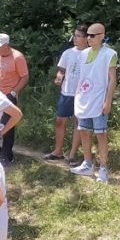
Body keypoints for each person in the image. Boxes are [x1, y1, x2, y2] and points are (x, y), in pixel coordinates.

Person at [70, 22, 118, 183]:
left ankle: (103, 168)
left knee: (101, 134)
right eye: (87, 35)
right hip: (84, 98)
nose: (88, 38)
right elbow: (80, 77)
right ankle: (87, 164)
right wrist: (76, 97)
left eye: (92, 35)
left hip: (99, 99)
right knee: (83, 130)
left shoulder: (109, 54)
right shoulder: (82, 54)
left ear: (102, 36)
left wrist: (108, 101)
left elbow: (112, 80)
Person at [44, 24, 89, 165]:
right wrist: (59, 76)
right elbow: (62, 70)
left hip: (82, 93)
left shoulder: (90, 54)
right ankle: (58, 151)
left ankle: (72, 155)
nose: (74, 38)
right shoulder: (68, 53)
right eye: (74, 35)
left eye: (78, 36)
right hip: (66, 91)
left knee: (78, 123)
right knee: (60, 120)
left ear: (87, 38)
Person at [0, 33, 29, 164]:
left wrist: (14, 92)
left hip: (7, 95)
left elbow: (24, 77)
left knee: (7, 125)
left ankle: (6, 155)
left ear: (6, 45)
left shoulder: (18, 57)